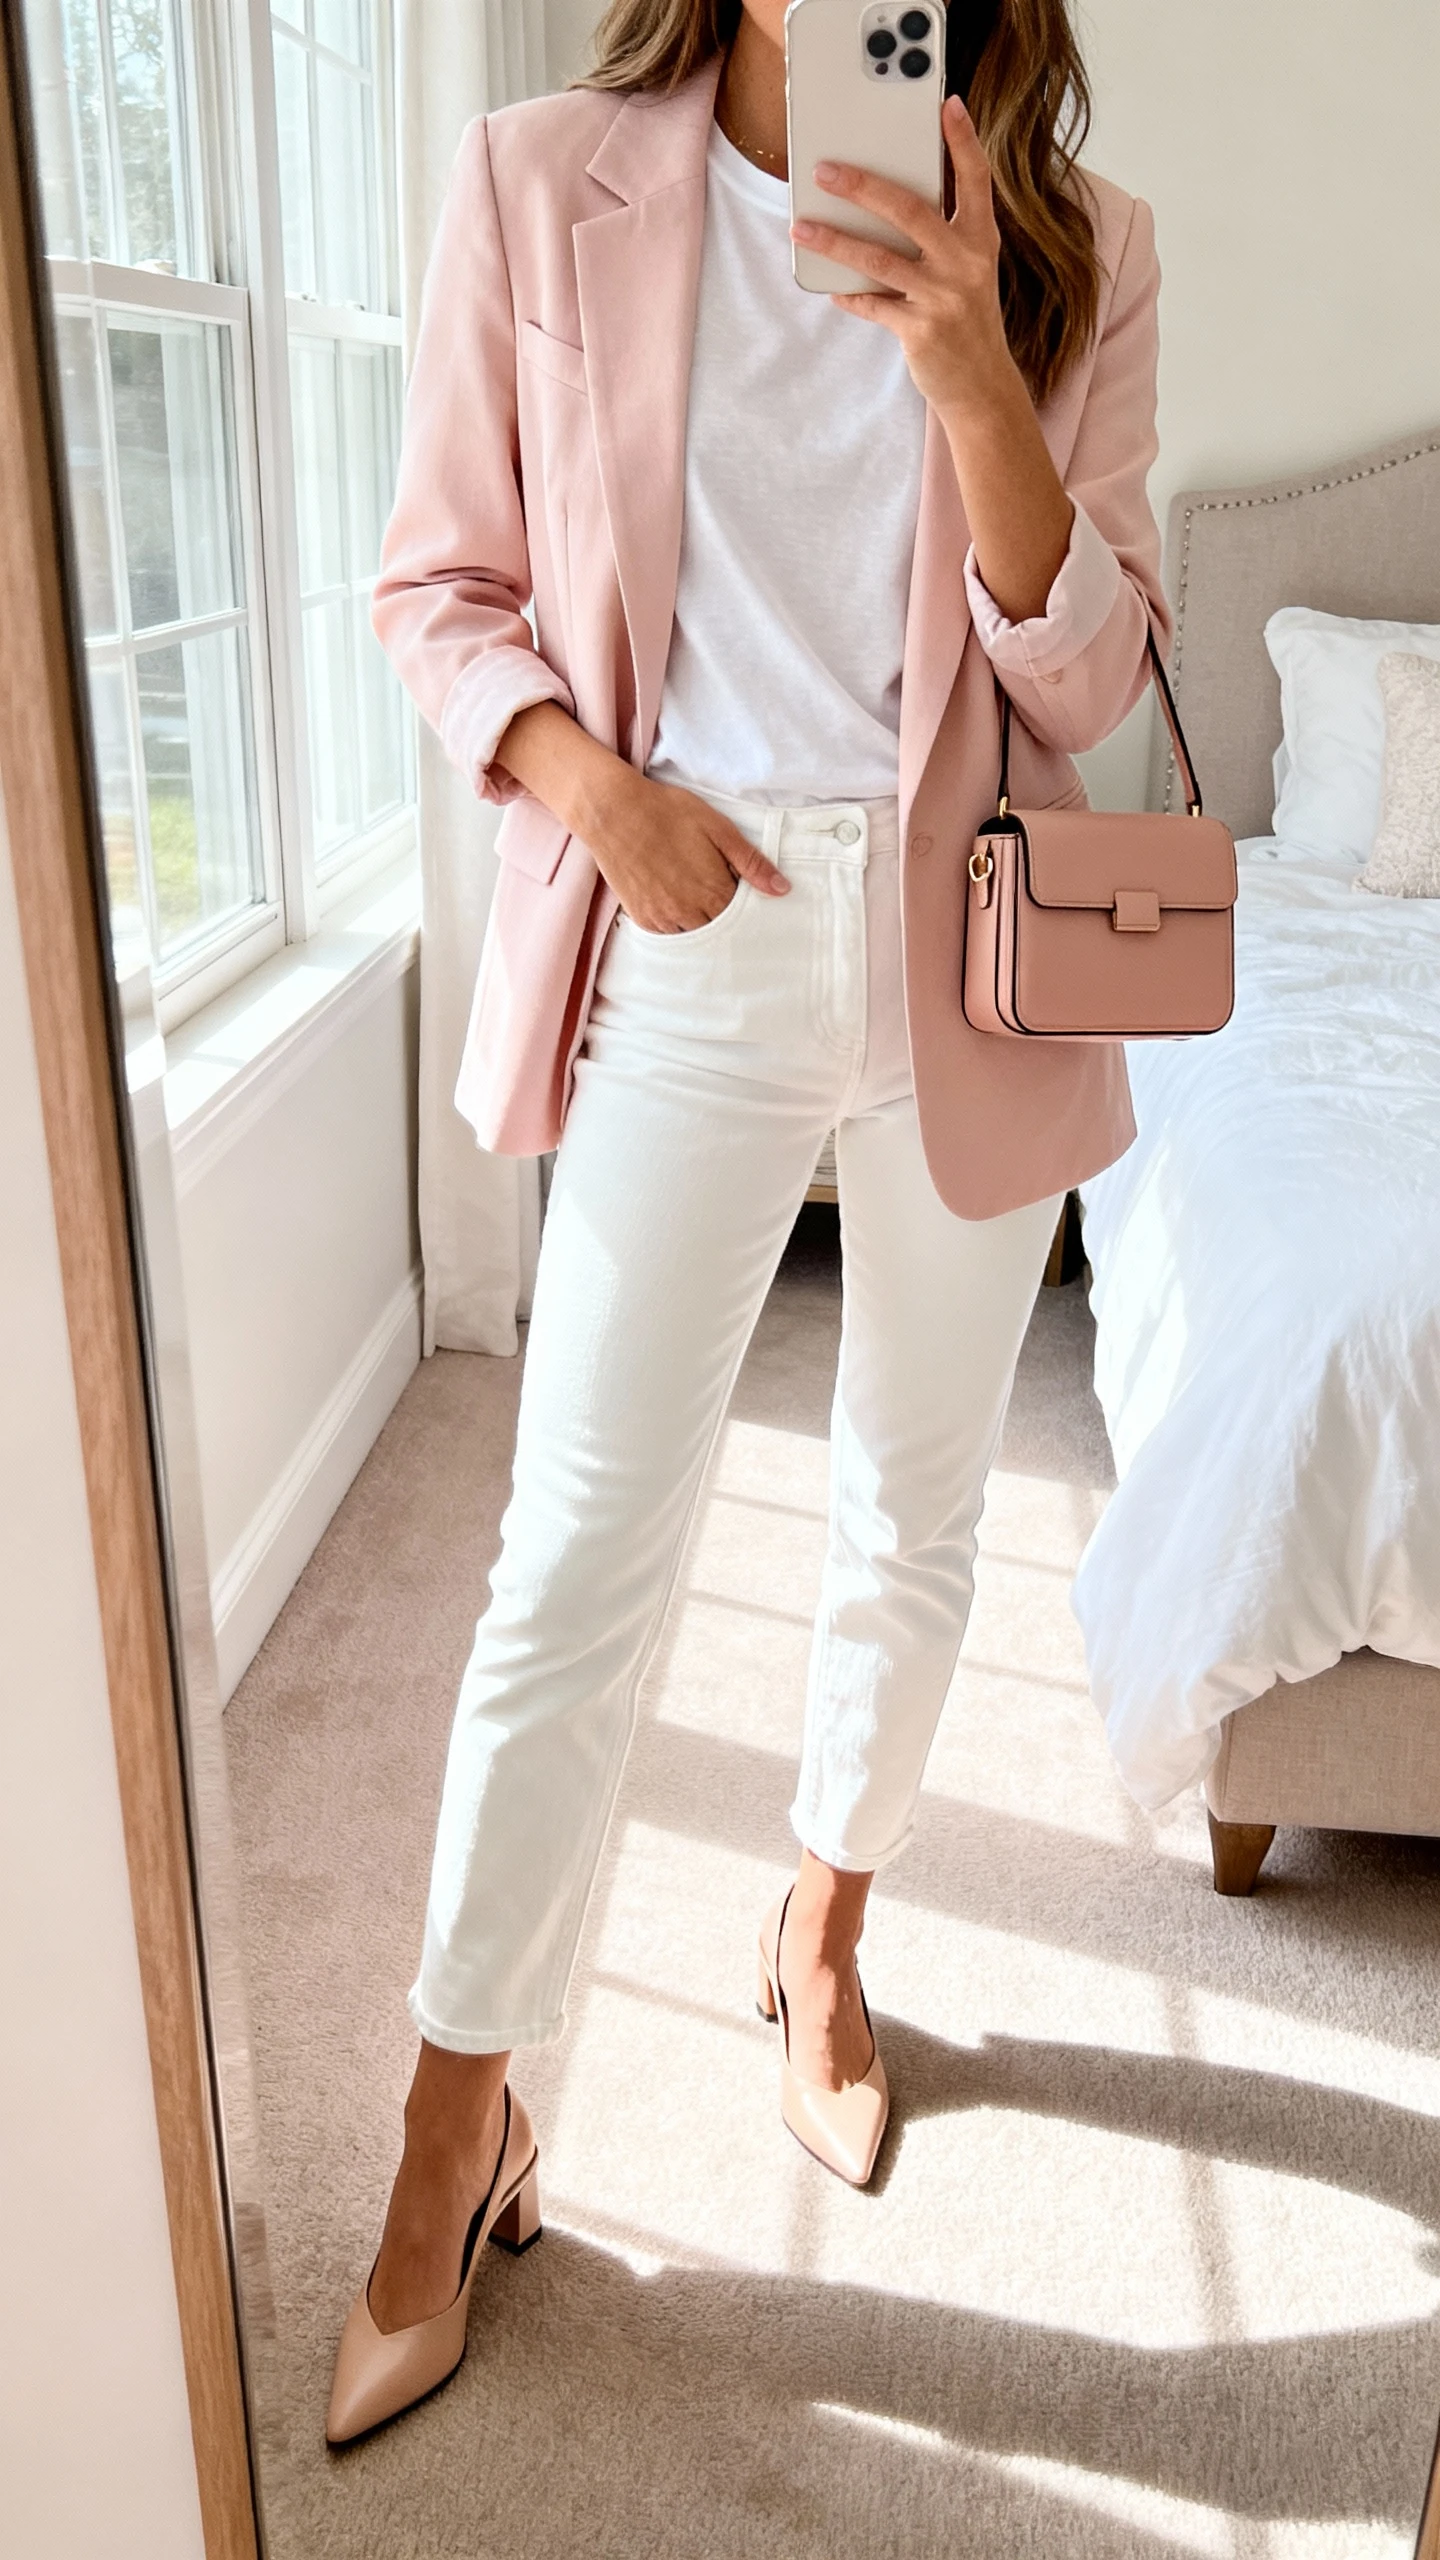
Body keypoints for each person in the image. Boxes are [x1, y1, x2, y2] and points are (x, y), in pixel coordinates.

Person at [326, 0, 1166, 2444]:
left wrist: (980, 368)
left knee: (916, 1503)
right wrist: (592, 789)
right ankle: (451, 2111)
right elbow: (437, 587)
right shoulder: (538, 178)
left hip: (968, 954)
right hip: (690, 919)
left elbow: (1088, 675)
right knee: (577, 1549)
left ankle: (820, 1920)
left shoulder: (1080, 242)